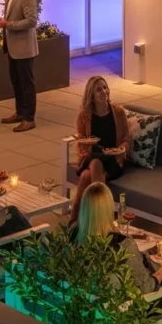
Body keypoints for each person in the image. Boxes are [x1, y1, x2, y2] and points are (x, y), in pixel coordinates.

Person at [72, 182, 162, 293]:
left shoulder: (73, 234)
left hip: (85, 300)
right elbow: (145, 287)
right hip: (124, 305)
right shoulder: (123, 244)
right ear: (109, 208)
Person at [69, 75, 130, 224]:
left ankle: (74, 221)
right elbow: (82, 142)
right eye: (98, 90)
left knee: (85, 176)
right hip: (91, 157)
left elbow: (126, 140)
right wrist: (86, 145)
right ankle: (102, 218)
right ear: (91, 95)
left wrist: (121, 149)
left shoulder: (118, 112)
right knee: (95, 161)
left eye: (105, 87)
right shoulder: (84, 116)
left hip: (112, 160)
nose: (104, 92)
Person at [0, 0, 38, 133]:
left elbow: (31, 21)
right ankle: (20, 112)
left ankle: (29, 118)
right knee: (16, 82)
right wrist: (4, 23)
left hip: (23, 48)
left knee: (26, 84)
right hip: (12, 47)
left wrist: (8, 24)